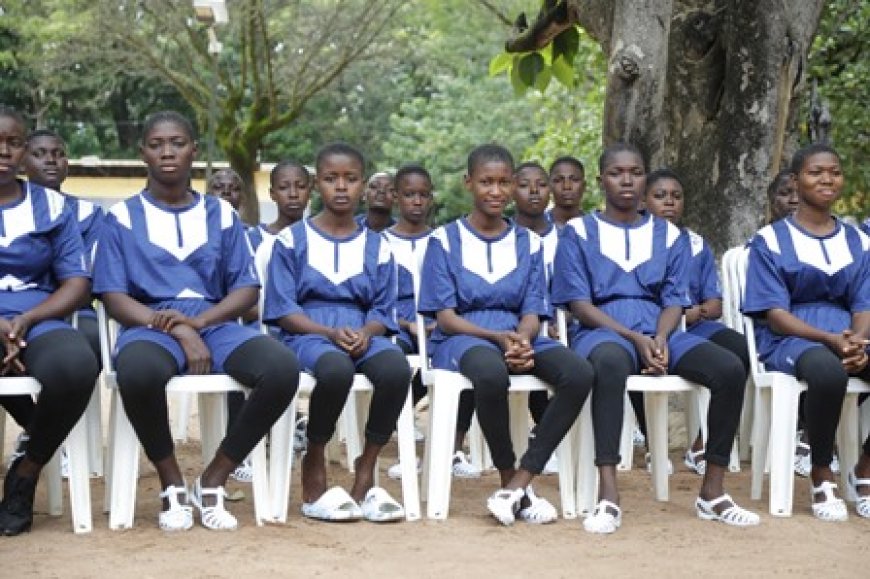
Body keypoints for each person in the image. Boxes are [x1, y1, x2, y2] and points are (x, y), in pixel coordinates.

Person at [92, 111, 299, 531]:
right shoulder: (121, 217)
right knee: (137, 373)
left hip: (216, 323)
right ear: (143, 153)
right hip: (149, 326)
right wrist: (175, 327)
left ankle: (214, 478)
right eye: (156, 144)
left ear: (194, 151)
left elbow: (245, 289)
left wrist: (200, 322)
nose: (167, 152)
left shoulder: (221, 215)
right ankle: (171, 482)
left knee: (280, 369)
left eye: (178, 143)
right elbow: (113, 296)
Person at [551, 142, 759, 533]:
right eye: (617, 173)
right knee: (610, 364)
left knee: (729, 368)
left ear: (644, 177)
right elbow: (578, 304)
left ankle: (712, 490)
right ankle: (608, 494)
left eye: (635, 172)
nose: (627, 180)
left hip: (662, 330)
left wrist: (660, 338)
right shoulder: (578, 232)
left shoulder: (670, 235)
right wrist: (635, 338)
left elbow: (674, 300)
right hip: (601, 332)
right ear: (601, 181)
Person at [418, 144, 592, 526]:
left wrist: (523, 338)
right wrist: (498, 340)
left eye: (502, 183)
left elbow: (533, 310)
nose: (495, 191)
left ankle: (520, 482)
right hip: (462, 338)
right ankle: (505, 475)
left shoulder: (529, 242)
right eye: (486, 182)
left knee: (578, 373)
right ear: (469, 184)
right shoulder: (443, 241)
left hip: (519, 334)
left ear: (513, 185)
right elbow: (445, 317)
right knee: (490, 374)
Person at [263, 142, 411, 523]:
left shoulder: (379, 246)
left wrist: (366, 332)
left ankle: (366, 467)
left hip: (362, 332)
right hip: (308, 333)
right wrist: (329, 333)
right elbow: (282, 308)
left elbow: (384, 309)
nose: (341, 187)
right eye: (331, 179)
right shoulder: (291, 240)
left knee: (396, 368)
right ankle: (315, 456)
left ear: (363, 184)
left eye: (350, 179)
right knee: (335, 369)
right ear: (316, 185)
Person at [743, 143, 870, 522]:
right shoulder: (770, 240)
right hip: (790, 340)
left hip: (847, 335)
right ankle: (821, 472)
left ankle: (864, 469)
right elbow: (776, 314)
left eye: (834, 171)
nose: (827, 179)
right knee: (827, 371)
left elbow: (863, 305)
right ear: (796, 182)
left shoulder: (859, 242)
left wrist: (860, 341)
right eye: (816, 172)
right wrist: (831, 340)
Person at [0, 106, 100, 536]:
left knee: (76, 366)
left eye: (14, 142)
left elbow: (76, 283)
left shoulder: (54, 207)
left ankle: (27, 471)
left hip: (37, 315)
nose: (4, 151)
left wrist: (24, 320)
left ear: (24, 149)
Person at [637, 168, 751, 475]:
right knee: (641, 361)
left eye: (676, 196)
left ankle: (702, 443)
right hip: (653, 325)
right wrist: (682, 312)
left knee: (739, 349)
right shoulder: (638, 241)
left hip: (696, 325)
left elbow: (713, 304)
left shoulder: (697, 244)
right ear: (644, 201)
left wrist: (693, 312)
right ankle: (652, 445)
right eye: (660, 196)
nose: (669, 203)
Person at [381, 164, 434, 470]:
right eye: (409, 194)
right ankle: (402, 446)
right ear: (395, 197)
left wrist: (435, 322)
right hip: (395, 326)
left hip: (436, 324)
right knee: (394, 359)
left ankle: (450, 449)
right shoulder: (379, 243)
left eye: (423, 195)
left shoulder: (443, 241)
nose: (417, 201)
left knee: (457, 356)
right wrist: (407, 324)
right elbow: (375, 300)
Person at [513, 161, 560, 474]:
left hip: (559, 324)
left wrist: (563, 323)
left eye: (541, 184)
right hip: (515, 327)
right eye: (524, 184)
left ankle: (546, 437)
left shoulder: (567, 237)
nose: (534, 191)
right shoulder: (505, 237)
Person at [247, 161, 311, 251]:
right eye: (283, 187)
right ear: (272, 194)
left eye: (301, 187)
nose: (293, 194)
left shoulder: (319, 238)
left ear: (309, 192)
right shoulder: (254, 238)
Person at [547, 156, 586, 228]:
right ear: (550, 186)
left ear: (584, 186)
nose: (567, 187)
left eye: (574, 180)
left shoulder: (595, 228)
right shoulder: (536, 227)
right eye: (558, 180)